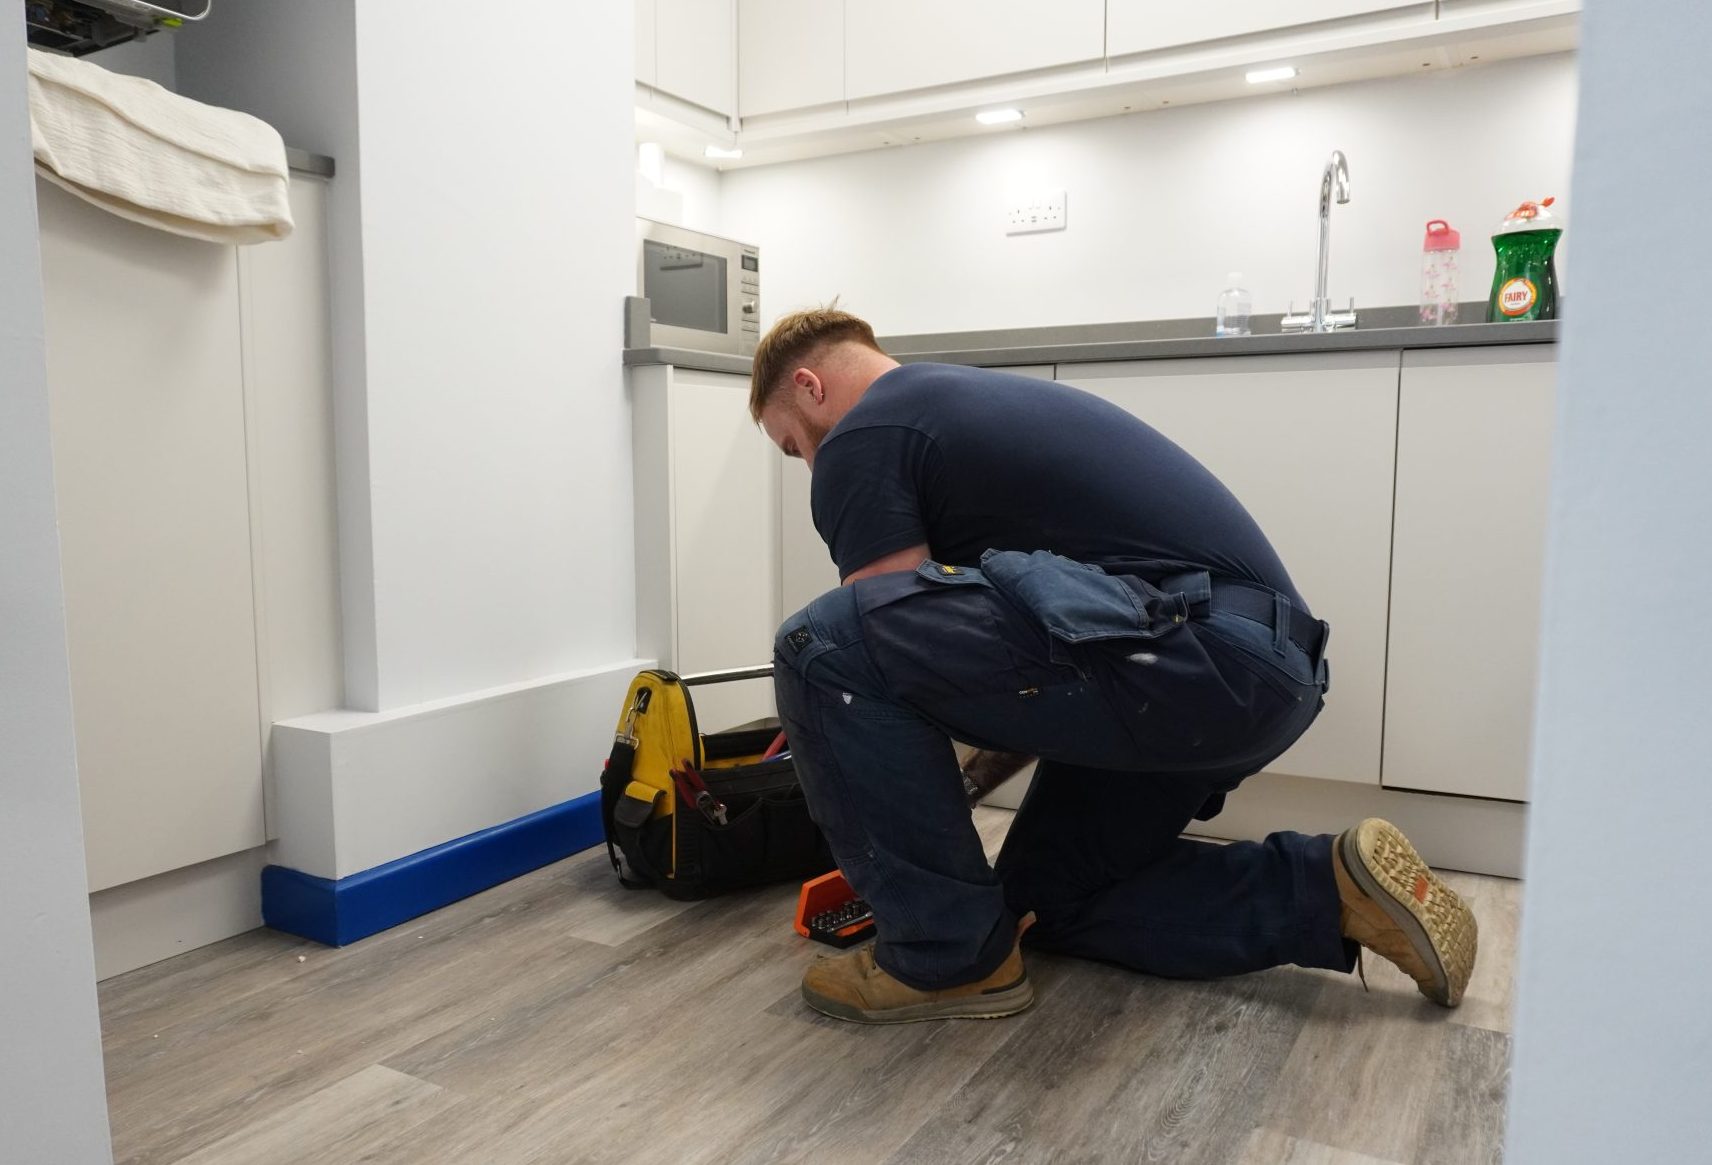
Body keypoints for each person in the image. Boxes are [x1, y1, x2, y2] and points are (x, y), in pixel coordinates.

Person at [756, 306, 1478, 1025]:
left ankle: (941, 959)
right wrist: (966, 784)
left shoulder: (866, 430)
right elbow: (1010, 665)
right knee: (1045, 902)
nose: (810, 464)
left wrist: (885, 818)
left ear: (812, 386)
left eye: (795, 447)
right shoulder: (959, 409)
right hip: (1248, 674)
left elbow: (869, 641)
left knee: (819, 646)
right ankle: (1328, 889)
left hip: (1186, 655)